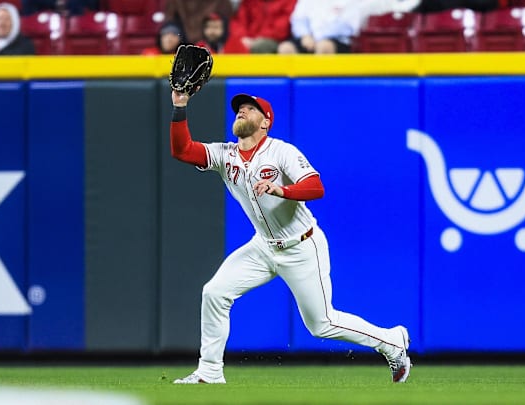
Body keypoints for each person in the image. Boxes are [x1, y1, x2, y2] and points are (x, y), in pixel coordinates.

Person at [168, 88, 412, 384]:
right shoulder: (225, 154)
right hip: (262, 247)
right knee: (215, 293)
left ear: (265, 122)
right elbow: (182, 150)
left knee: (321, 324)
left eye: (250, 108)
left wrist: (282, 190)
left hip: (301, 245)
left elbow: (315, 186)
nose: (242, 111)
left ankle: (391, 341)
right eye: (239, 108)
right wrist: (180, 107)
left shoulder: (281, 151)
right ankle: (209, 371)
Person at [223, 0, 297, 53]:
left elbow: (282, 27)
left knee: (260, 46)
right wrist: (243, 37)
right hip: (249, 39)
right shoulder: (248, 2)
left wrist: (256, 39)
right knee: (231, 45)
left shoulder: (288, 1)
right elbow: (238, 21)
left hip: (276, 40)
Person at [164, 0, 232, 44]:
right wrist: (172, 33)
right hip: (182, 45)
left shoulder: (220, 2)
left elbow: (228, 24)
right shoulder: (176, 2)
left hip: (212, 45)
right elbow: (170, 21)